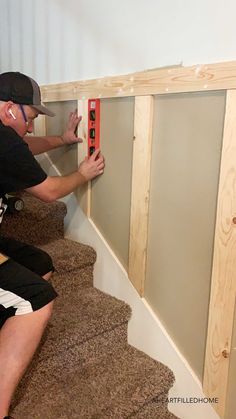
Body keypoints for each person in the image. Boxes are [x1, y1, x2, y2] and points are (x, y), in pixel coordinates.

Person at [0, 71, 105, 419]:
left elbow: (23, 147)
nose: (30, 128)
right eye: (30, 118)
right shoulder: (4, 139)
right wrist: (83, 174)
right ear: (10, 109)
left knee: (39, 263)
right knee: (37, 299)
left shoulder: (5, 138)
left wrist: (62, 139)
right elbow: (49, 193)